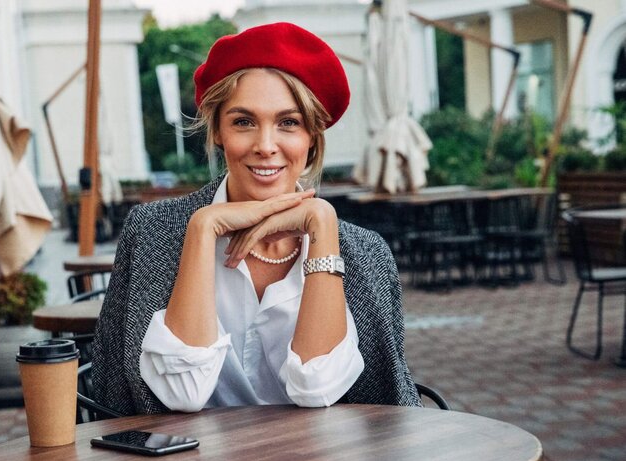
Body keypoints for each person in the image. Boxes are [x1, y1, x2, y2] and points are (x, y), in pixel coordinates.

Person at [92, 22, 420, 414]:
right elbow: (181, 395)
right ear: (217, 131)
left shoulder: (366, 253)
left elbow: (318, 390)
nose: (266, 146)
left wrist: (323, 225)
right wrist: (202, 227)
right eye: (243, 121)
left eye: (289, 123)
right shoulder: (151, 231)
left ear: (311, 137)